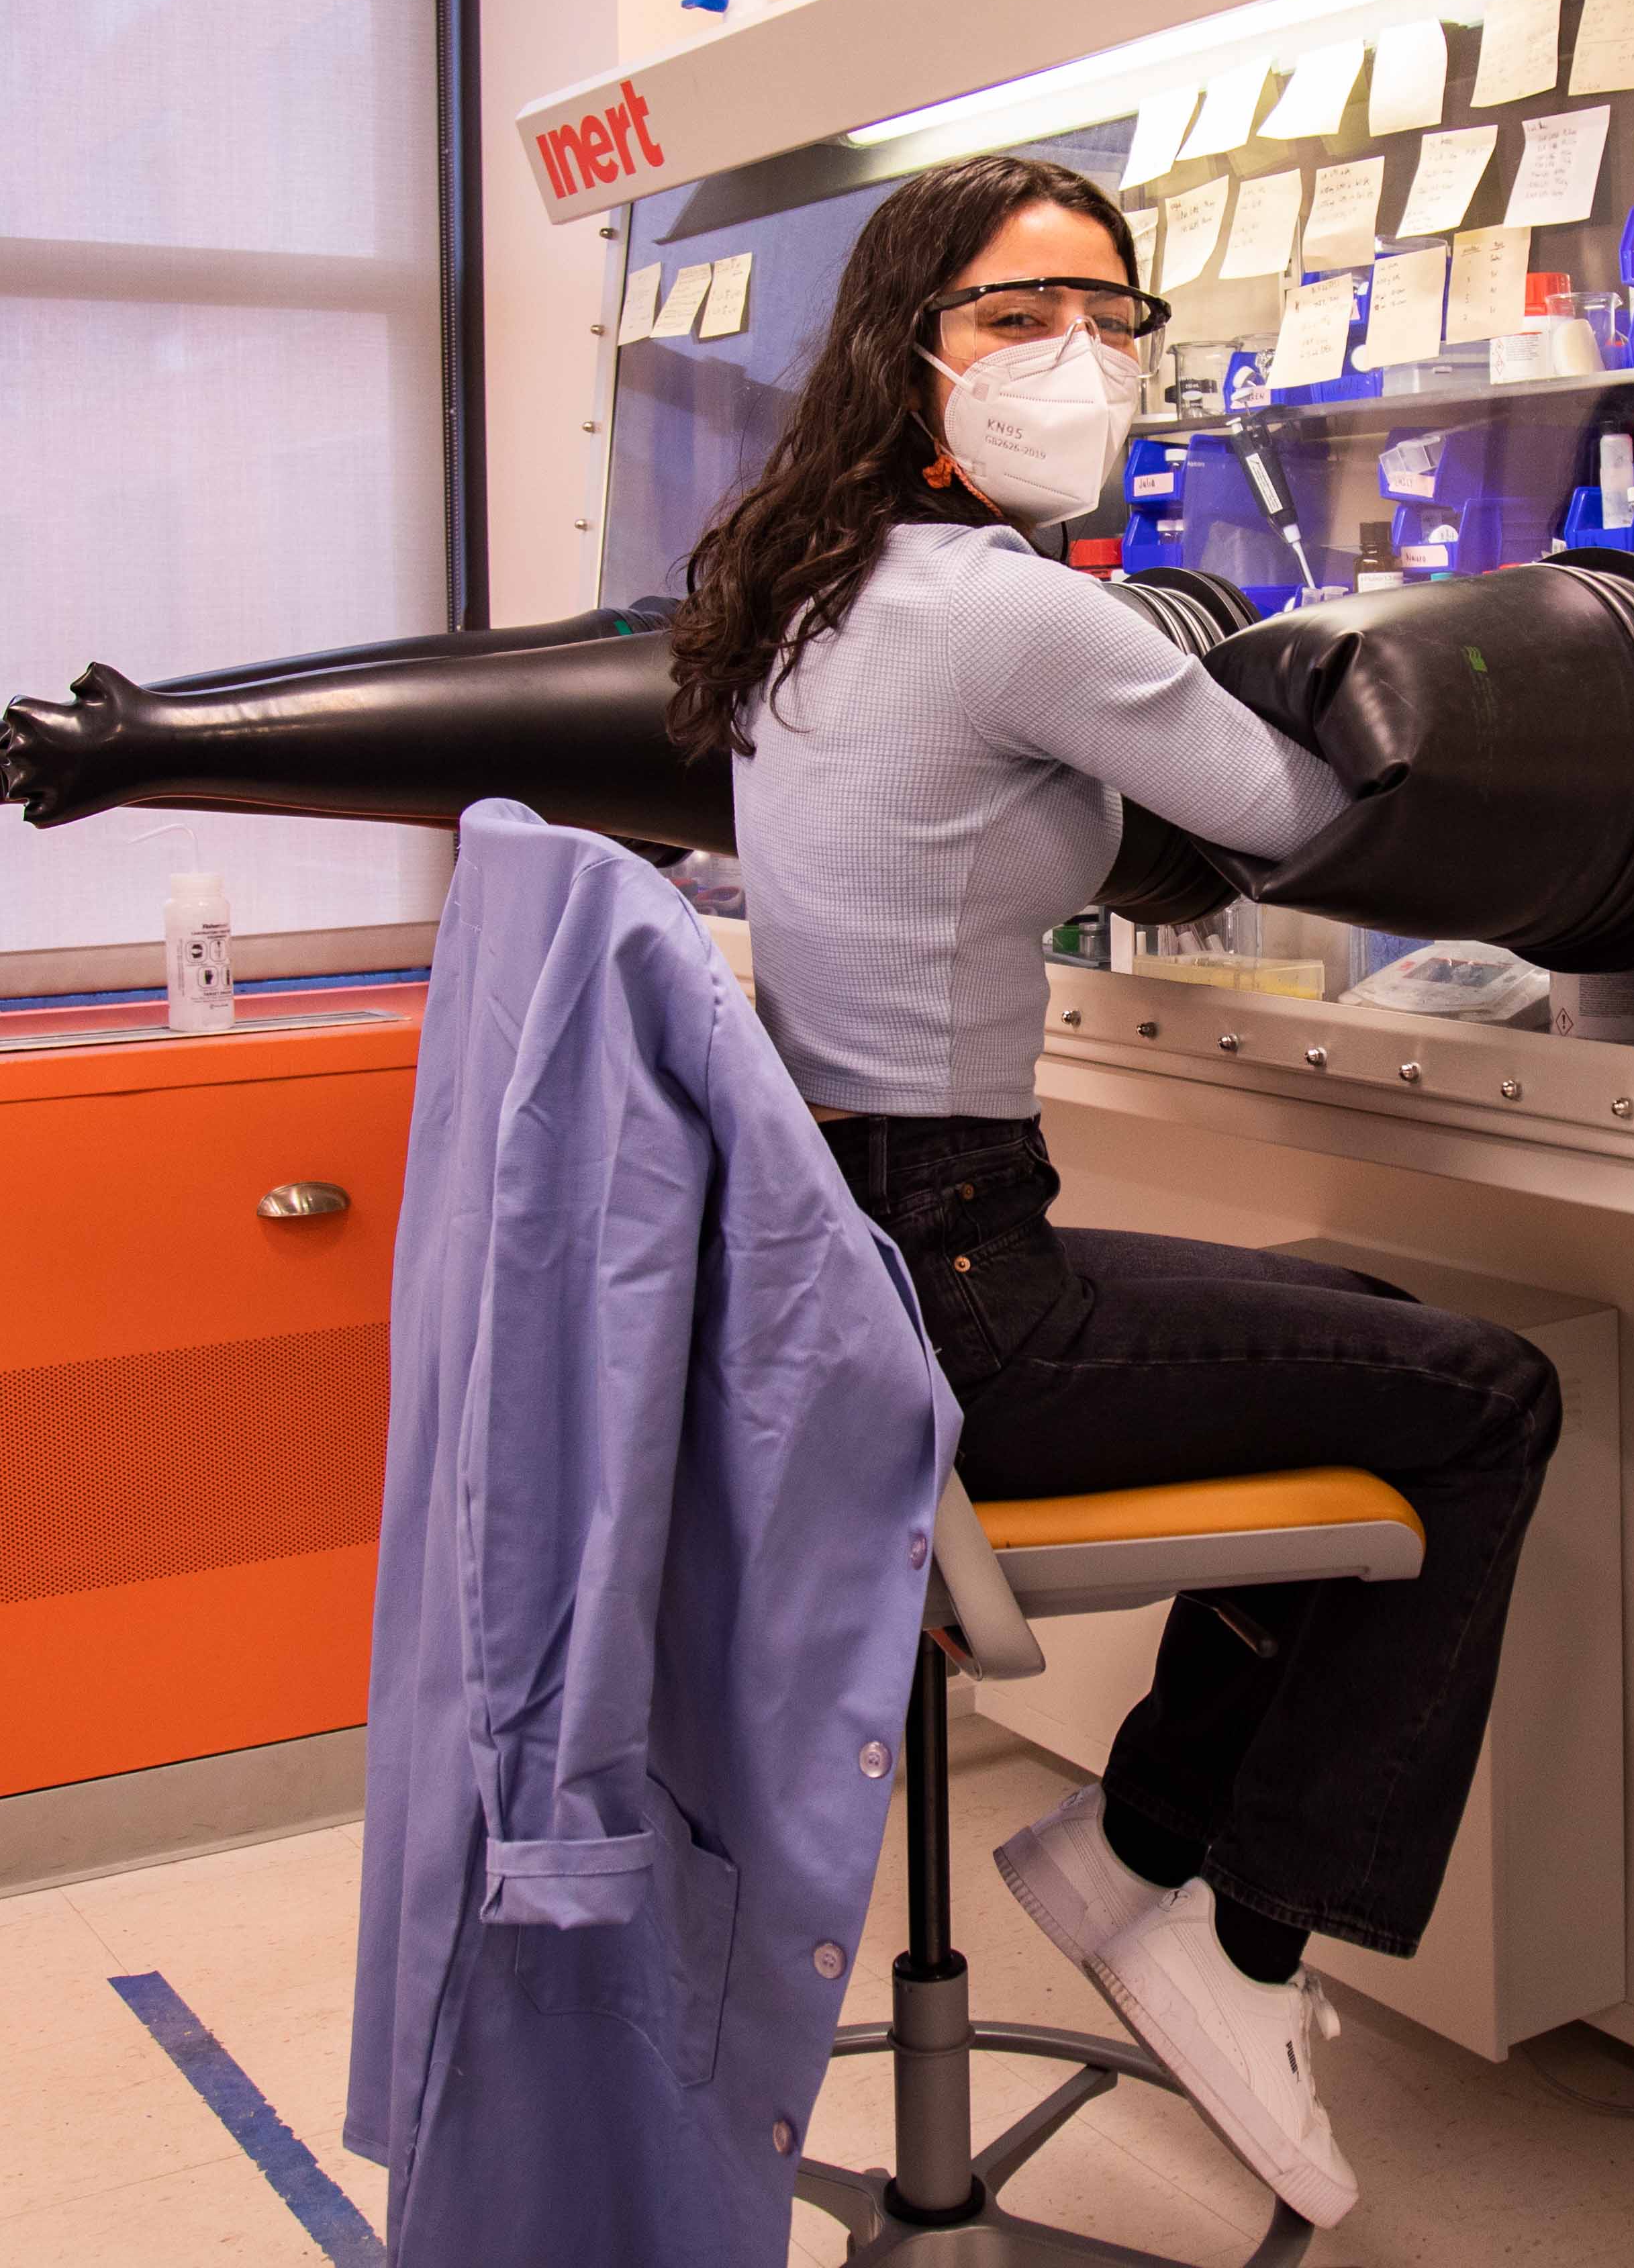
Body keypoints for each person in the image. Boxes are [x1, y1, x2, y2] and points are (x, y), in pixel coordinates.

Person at [667, 152, 1561, 2229]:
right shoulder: (1004, 607)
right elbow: (1299, 804)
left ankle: (1132, 1845)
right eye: (1015, 315)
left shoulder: (814, 593)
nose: (1080, 353)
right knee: (1489, 1394)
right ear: (909, 358)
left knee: (1351, 1307)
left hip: (861, 1270)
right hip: (971, 1295)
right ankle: (1239, 1936)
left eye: (1112, 313)